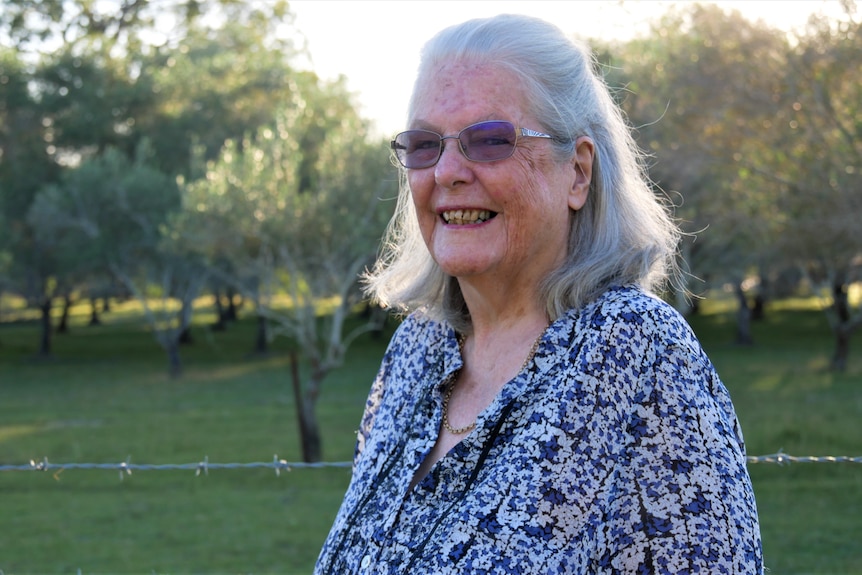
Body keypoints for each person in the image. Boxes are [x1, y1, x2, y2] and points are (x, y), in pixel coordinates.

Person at [315, 13, 762, 574]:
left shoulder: (637, 351)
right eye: (425, 145)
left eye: (490, 140)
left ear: (577, 172)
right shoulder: (415, 351)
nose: (447, 171)